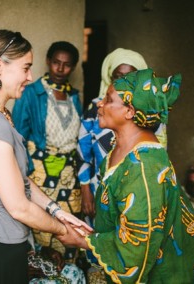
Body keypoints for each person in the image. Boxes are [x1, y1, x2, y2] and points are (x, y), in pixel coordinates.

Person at [57, 68, 194, 283]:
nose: (100, 104)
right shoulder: (119, 148)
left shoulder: (144, 168)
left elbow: (135, 251)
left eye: (109, 99)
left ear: (130, 111)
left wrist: (84, 241)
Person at [0, 30, 91, 283]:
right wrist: (63, 231)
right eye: (25, 68)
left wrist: (57, 211)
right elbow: (18, 207)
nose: (30, 77)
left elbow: (19, 178)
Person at [77, 48, 167, 224]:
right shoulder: (97, 108)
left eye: (131, 77)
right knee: (98, 241)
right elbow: (83, 152)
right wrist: (85, 190)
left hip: (135, 196)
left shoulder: (151, 113)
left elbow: (158, 158)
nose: (123, 82)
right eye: (118, 77)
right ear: (109, 77)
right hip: (99, 191)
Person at [12, 41, 83, 261]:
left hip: (68, 179)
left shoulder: (74, 96)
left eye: (67, 65)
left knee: (68, 230)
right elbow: (17, 136)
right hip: (41, 175)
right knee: (43, 230)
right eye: (56, 63)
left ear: (73, 67)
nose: (60, 69)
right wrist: (27, 170)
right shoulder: (32, 93)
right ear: (48, 62)